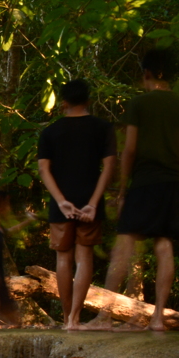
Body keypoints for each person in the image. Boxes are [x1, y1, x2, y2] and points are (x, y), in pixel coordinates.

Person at [87, 49, 179, 332]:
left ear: (146, 73)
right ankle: (157, 319)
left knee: (124, 244)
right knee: (164, 244)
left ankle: (104, 317)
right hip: (173, 182)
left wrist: (123, 190)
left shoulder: (139, 104)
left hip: (145, 180)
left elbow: (130, 149)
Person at [38, 79, 117, 330]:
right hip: (88, 203)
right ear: (88, 100)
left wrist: (61, 201)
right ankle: (74, 318)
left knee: (63, 259)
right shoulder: (103, 128)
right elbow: (109, 167)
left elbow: (44, 169)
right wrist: (93, 203)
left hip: (61, 204)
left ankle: (65, 318)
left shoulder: (50, 132)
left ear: (63, 103)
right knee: (84, 259)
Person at [0, 189, 37, 328]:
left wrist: (29, 220)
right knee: (13, 320)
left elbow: (10, 231)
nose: (9, 208)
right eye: (6, 204)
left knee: (13, 320)